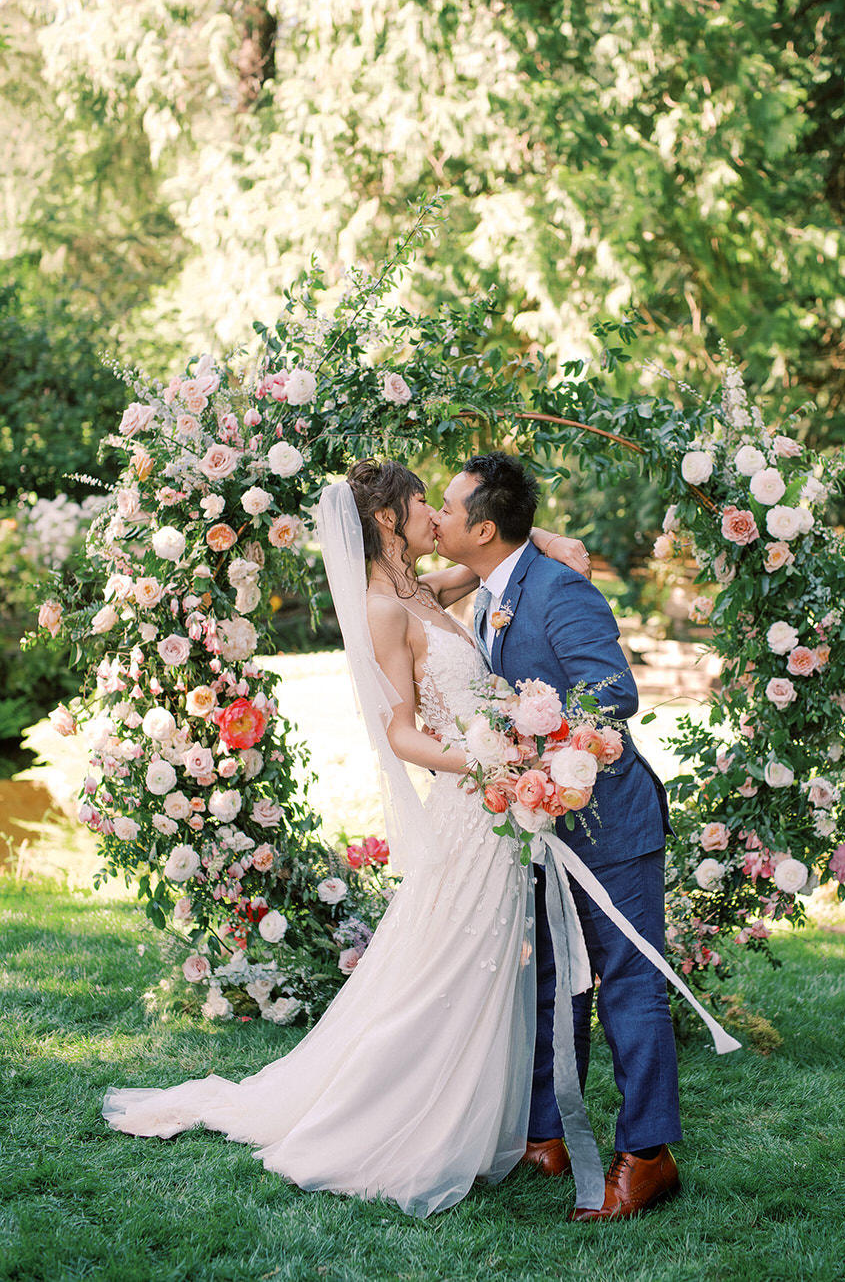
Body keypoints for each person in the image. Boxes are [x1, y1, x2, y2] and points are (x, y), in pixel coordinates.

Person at [102, 459, 585, 1218]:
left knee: (474, 964)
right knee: (445, 969)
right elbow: (400, 734)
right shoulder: (381, 609)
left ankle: (486, 1111)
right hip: (471, 803)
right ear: (389, 518)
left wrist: (543, 535)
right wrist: (489, 761)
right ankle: (387, 1116)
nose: (434, 510)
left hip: (491, 809)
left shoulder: (420, 592)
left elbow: (492, 564)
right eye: (421, 499)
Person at [433, 451, 682, 1223]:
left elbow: (614, 691)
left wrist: (525, 732)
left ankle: (648, 1154)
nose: (436, 520)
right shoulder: (494, 585)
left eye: (447, 508)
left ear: (481, 526)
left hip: (610, 823)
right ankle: (547, 1129)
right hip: (539, 823)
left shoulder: (559, 587)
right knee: (551, 981)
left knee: (629, 985)